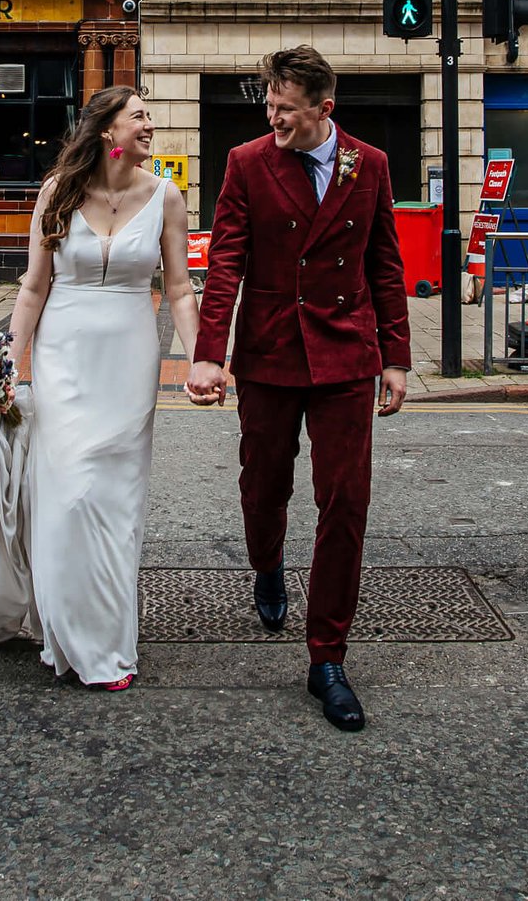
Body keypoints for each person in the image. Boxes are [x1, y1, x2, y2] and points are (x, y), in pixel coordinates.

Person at [0, 86, 195, 691]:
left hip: (130, 360)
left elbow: (181, 289)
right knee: (69, 494)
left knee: (115, 502)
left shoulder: (167, 196)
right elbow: (33, 288)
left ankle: (105, 643)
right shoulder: (57, 193)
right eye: (139, 117)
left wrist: (206, 356)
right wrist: (6, 363)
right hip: (64, 356)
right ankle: (68, 629)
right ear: (108, 131)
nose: (150, 126)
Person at [188, 45, 407, 733]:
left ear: (324, 108)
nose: (272, 115)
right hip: (270, 352)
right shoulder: (248, 163)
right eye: (269, 103)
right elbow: (225, 264)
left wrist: (396, 356)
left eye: (285, 106)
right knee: (263, 486)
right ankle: (268, 562)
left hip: (347, 353)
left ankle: (327, 658)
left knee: (346, 500)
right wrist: (207, 355)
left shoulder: (368, 164)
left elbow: (385, 262)